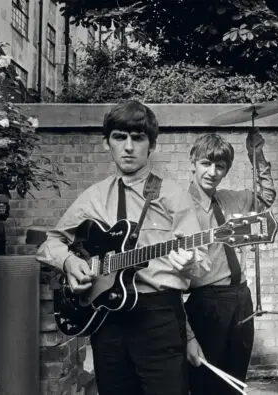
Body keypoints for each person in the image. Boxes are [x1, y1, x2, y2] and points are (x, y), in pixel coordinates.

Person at [36, 100, 204, 395]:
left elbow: (200, 263)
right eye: (119, 137)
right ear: (107, 143)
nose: (128, 147)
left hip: (159, 317)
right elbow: (51, 242)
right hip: (106, 318)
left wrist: (188, 260)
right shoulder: (94, 197)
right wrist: (69, 264)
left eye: (138, 138)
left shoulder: (174, 196)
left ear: (151, 145)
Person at [184, 131, 276, 395]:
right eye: (206, 163)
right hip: (205, 303)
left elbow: (266, 196)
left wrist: (256, 154)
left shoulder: (231, 198)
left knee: (235, 381)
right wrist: (188, 335)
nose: (212, 172)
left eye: (220, 166)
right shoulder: (178, 206)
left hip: (241, 299)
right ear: (193, 162)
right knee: (205, 384)